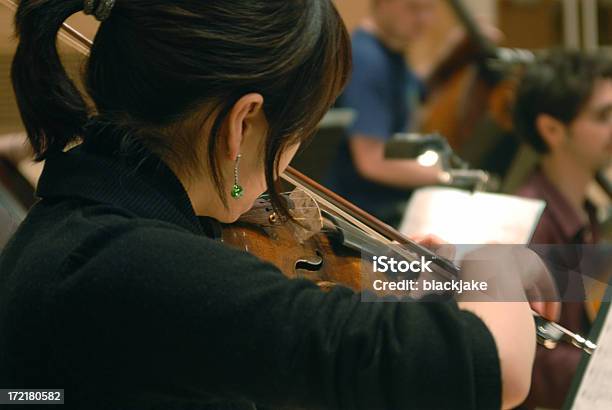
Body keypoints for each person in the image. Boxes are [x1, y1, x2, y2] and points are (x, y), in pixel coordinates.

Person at [0, 1, 547, 409]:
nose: (286, 174)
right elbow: (490, 368)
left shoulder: (85, 229)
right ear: (243, 123)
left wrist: (390, 281)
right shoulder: (130, 263)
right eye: (296, 137)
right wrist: (495, 268)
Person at [514, 49, 612, 409]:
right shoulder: (531, 225)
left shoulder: (584, 211)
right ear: (552, 129)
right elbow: (536, 361)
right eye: (604, 115)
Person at [326, 0, 446, 226]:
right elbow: (372, 161)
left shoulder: (392, 54)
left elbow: (418, 92)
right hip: (360, 217)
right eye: (413, 8)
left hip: (380, 209)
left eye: (430, 9)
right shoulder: (367, 60)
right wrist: (446, 177)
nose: (424, 20)